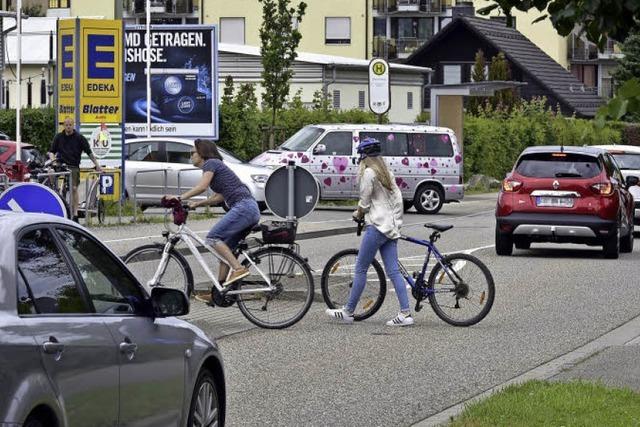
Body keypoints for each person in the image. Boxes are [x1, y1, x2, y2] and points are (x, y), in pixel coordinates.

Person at [326, 137, 414, 326]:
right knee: (393, 271)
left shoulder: (369, 173)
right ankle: (405, 313)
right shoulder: (387, 172)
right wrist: (396, 222)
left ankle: (348, 311)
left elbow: (364, 202)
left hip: (377, 227)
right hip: (390, 228)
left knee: (360, 269)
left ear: (364, 156)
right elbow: (398, 200)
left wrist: (357, 215)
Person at [166, 139, 260, 300]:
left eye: (193, 152)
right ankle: (219, 292)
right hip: (249, 209)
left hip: (243, 207)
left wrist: (179, 197)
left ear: (202, 153)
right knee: (226, 252)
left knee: (213, 237)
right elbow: (220, 197)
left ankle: (238, 269)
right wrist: (198, 203)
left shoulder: (211, 163)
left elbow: (202, 186)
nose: (191, 156)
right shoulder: (217, 166)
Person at [49, 117, 102, 222]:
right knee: (50, 172)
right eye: (66, 125)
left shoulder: (79, 138)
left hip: (73, 166)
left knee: (73, 188)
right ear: (63, 126)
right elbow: (51, 151)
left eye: (70, 125)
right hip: (60, 164)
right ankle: (54, 189)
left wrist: (97, 165)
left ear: (73, 125)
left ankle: (75, 214)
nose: (68, 127)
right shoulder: (58, 137)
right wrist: (53, 160)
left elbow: (89, 152)